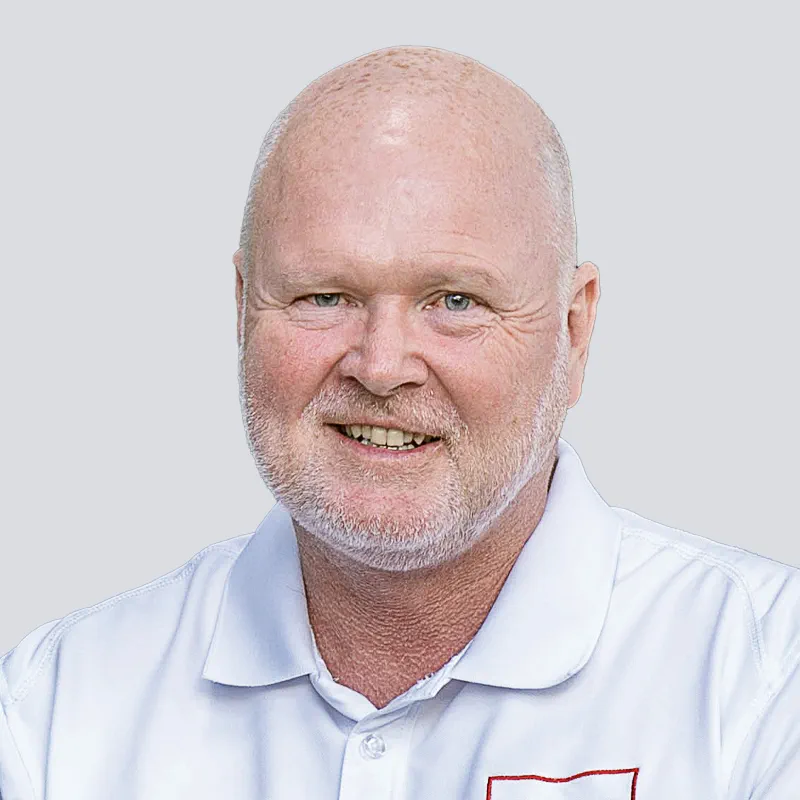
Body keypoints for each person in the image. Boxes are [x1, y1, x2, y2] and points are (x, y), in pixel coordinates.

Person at [1, 45, 797, 800]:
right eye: (324, 296)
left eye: (456, 301)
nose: (381, 366)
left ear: (574, 329)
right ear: (242, 311)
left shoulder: (763, 681)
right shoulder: (54, 709)